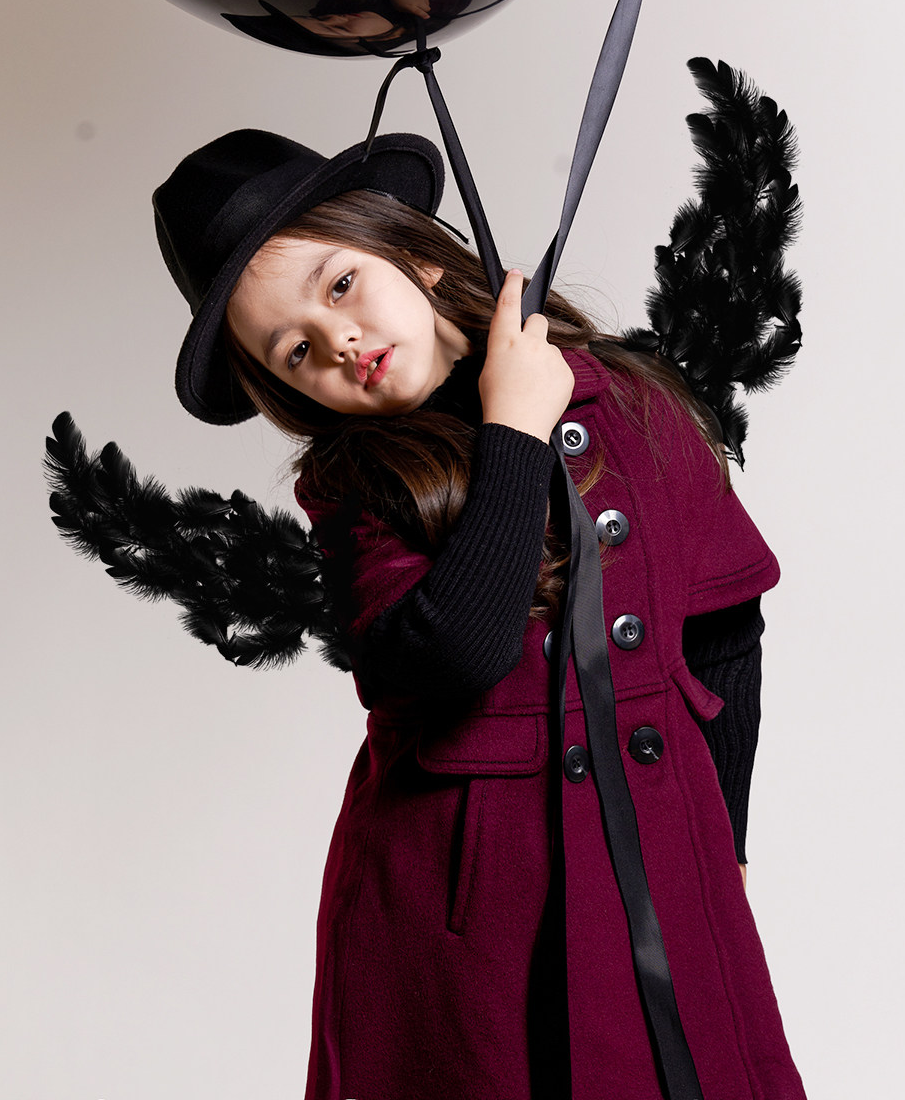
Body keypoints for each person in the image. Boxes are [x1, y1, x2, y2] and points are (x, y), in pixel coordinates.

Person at [152, 127, 807, 1100]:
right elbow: (457, 652)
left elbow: (724, 631)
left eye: (341, 286)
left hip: (660, 865)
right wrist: (513, 431)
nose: (338, 342)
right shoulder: (354, 490)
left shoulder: (630, 401)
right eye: (294, 350)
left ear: (412, 251)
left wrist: (729, 842)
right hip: (466, 917)